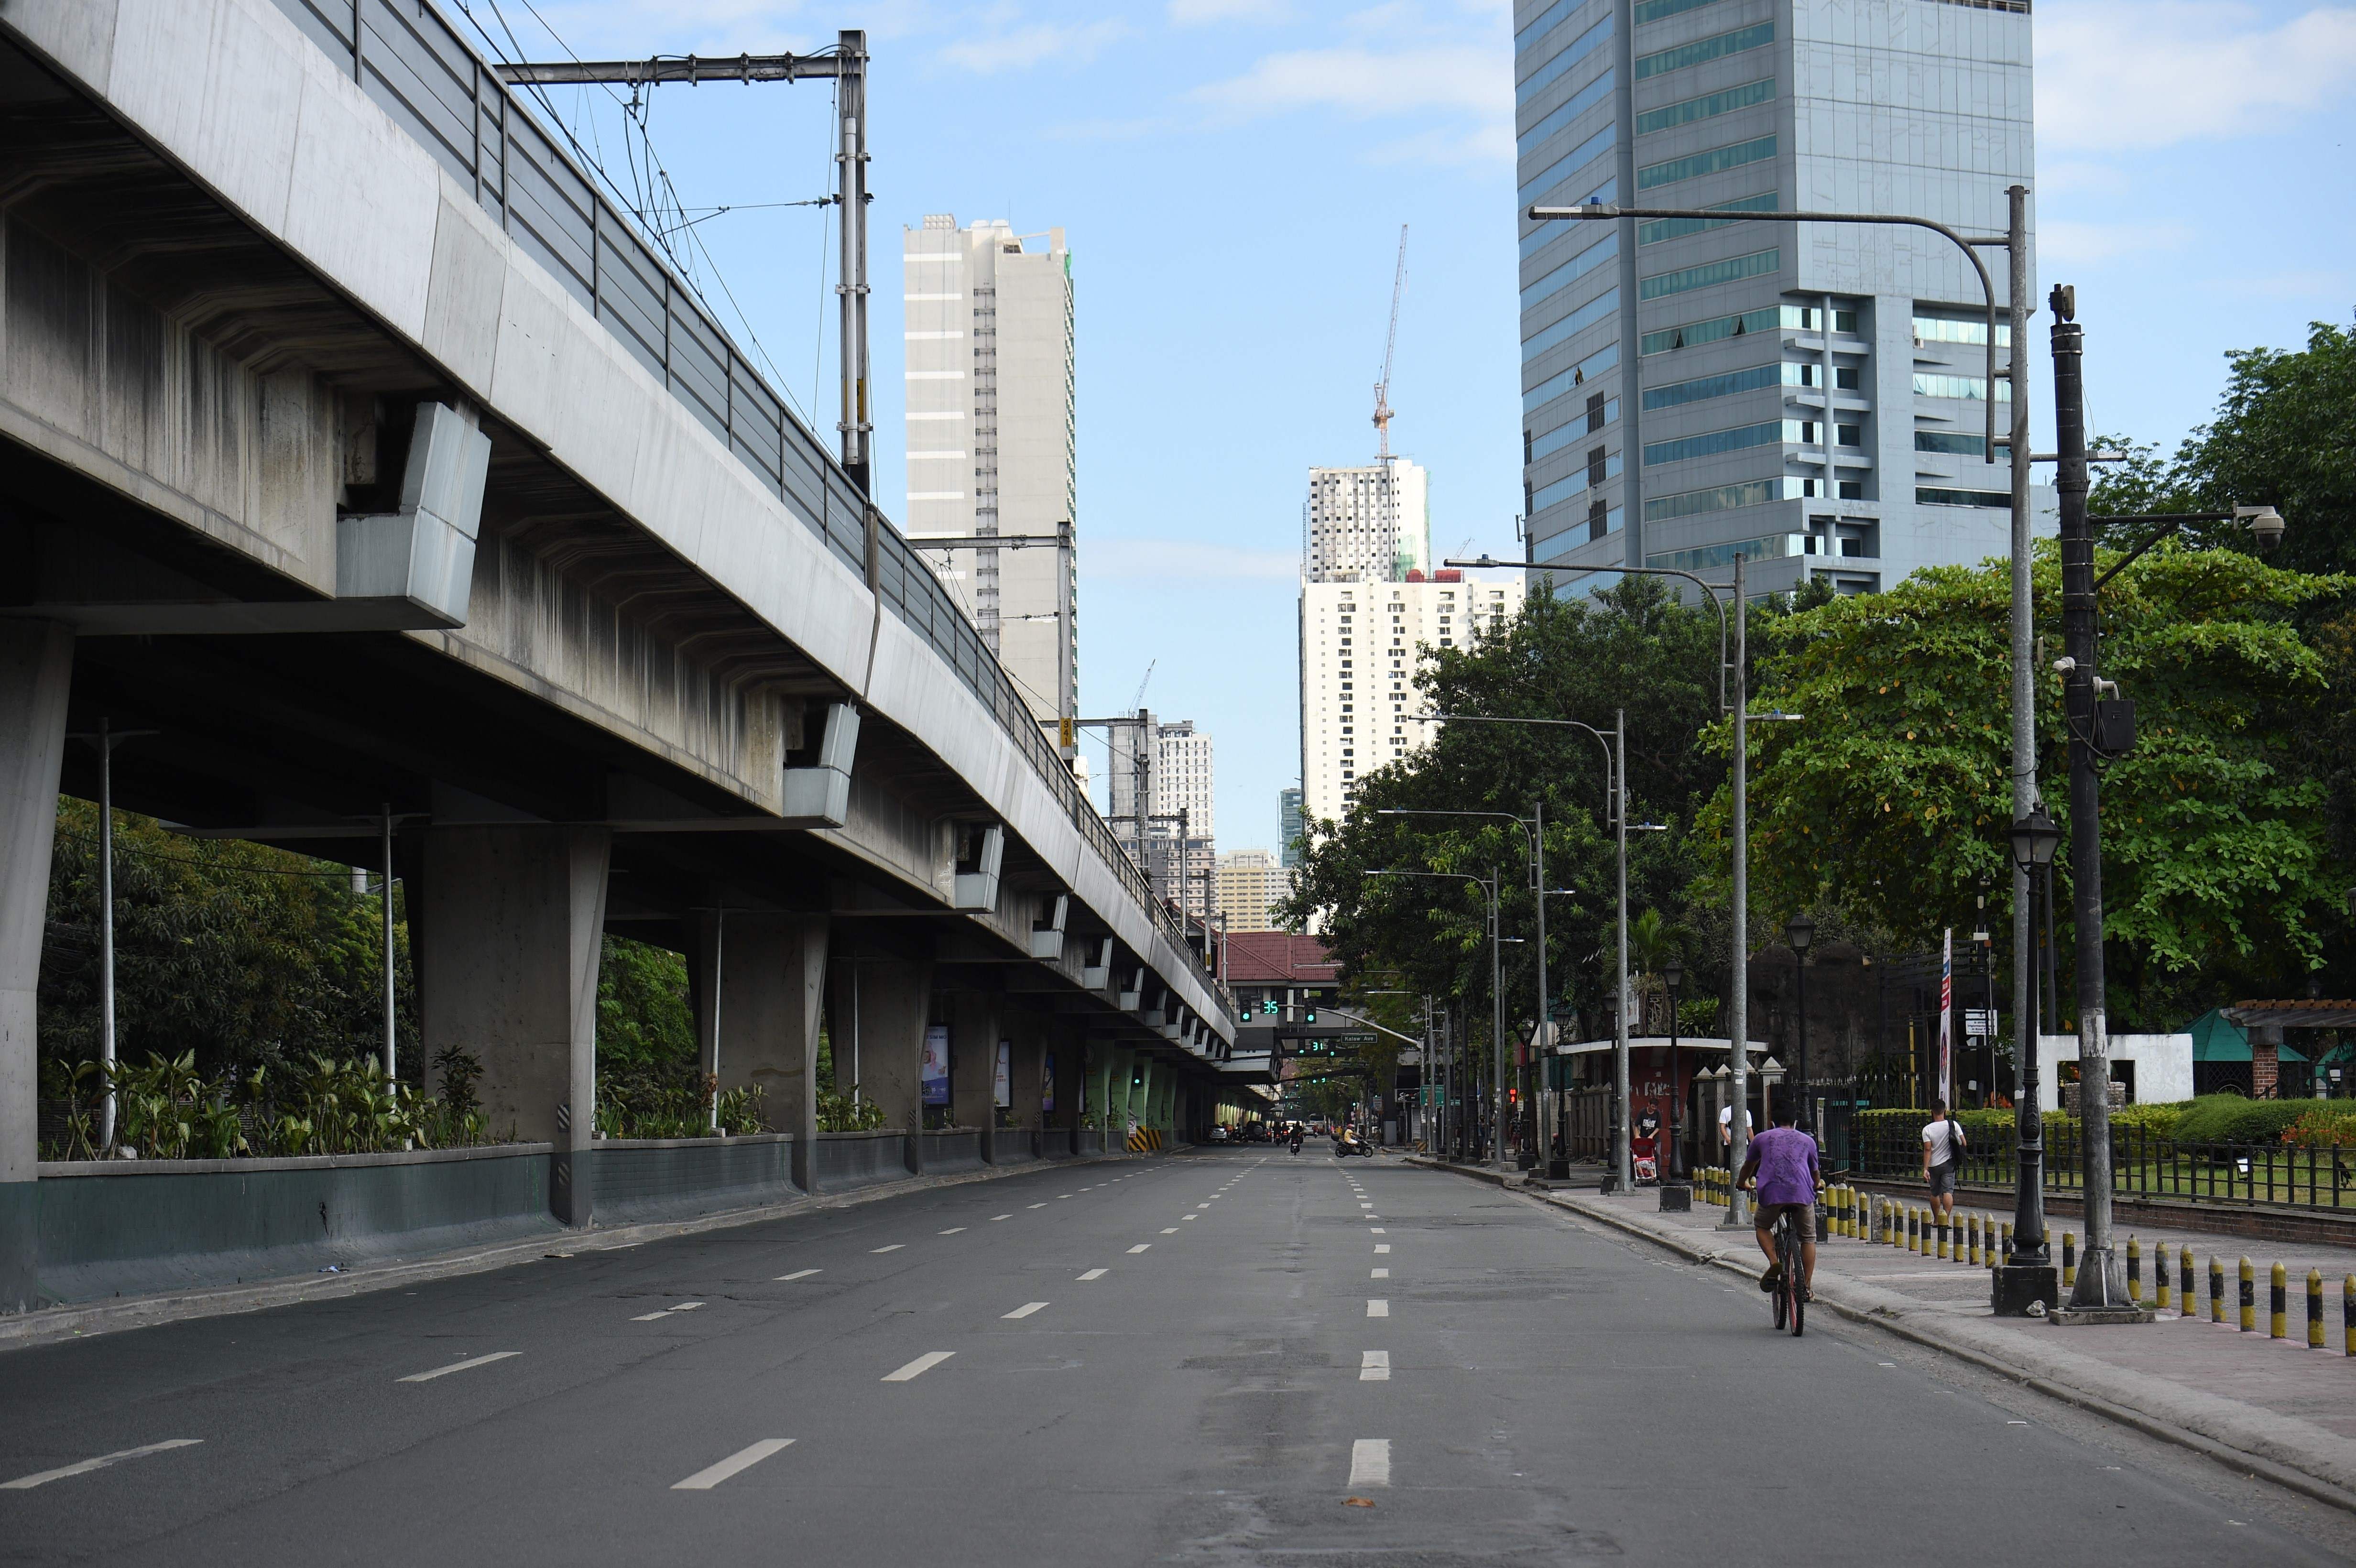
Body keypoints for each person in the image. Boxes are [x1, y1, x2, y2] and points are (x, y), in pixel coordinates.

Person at [1738, 1097, 1823, 1299]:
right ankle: (1807, 1288)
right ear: (1795, 1122)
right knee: (1809, 1238)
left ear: (1772, 1123)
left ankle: (1775, 1261)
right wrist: (1816, 1185)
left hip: (1772, 1194)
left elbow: (1748, 1167)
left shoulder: (1762, 1138)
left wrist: (1742, 1183)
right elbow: (1816, 1173)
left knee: (1762, 1226)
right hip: (1802, 1194)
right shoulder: (1808, 1141)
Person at [1921, 1100, 1967, 1222]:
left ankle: (1936, 1220)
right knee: (1948, 1191)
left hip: (1933, 1165)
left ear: (1932, 1112)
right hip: (1949, 1164)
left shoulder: (1927, 1130)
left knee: (1935, 1193)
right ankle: (1945, 1220)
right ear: (1945, 1111)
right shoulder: (1953, 1125)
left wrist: (1925, 1169)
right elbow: (1964, 1143)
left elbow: (1928, 1149)